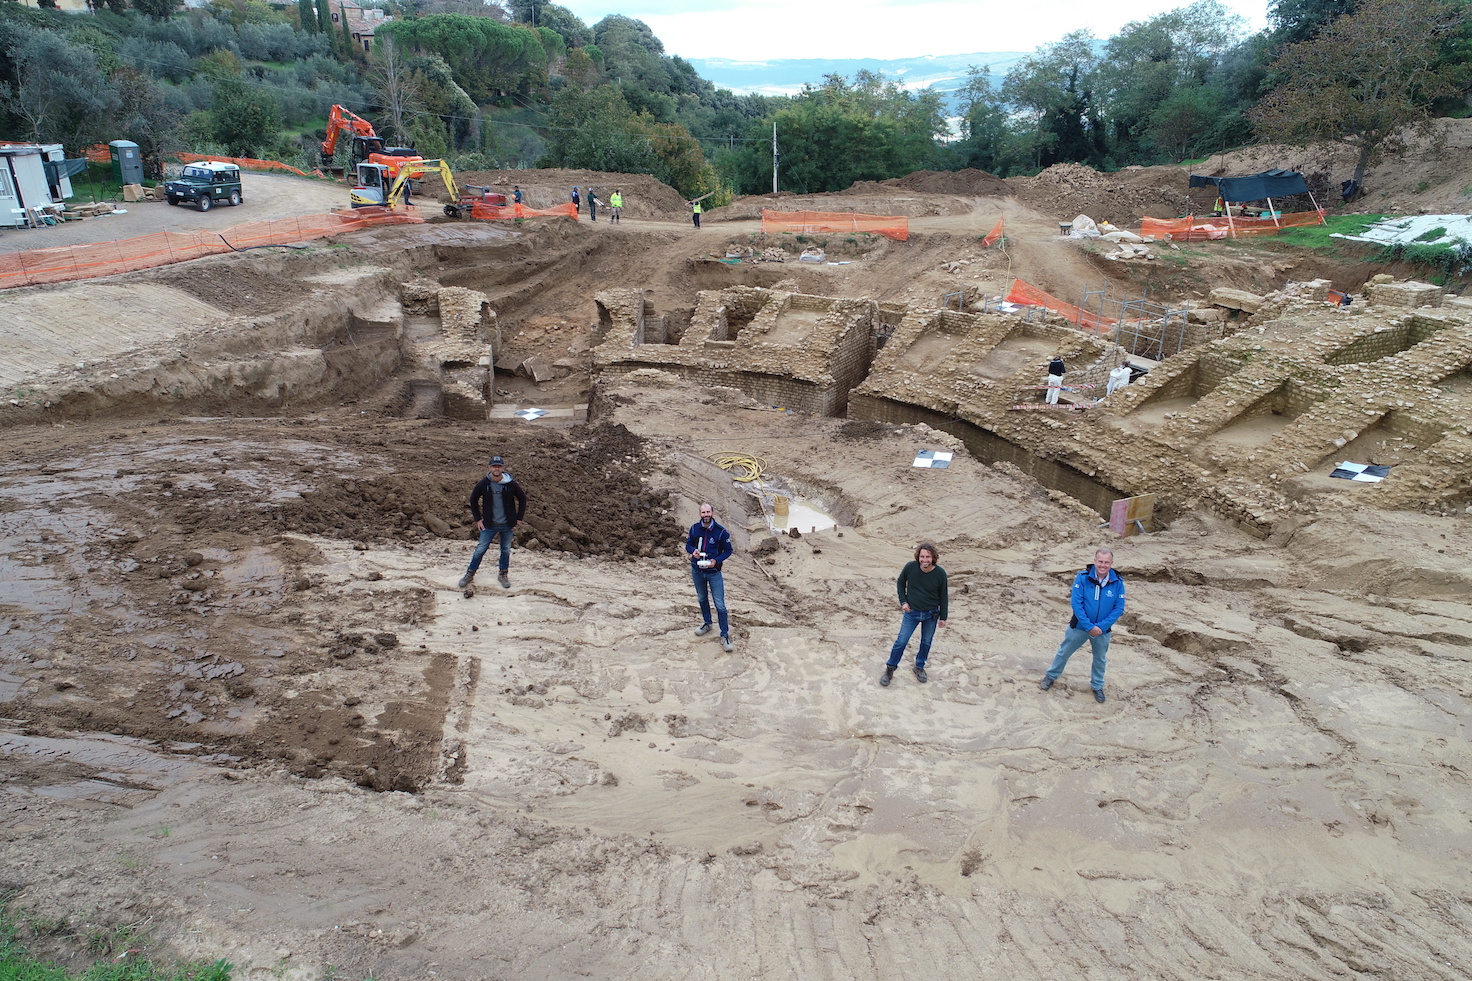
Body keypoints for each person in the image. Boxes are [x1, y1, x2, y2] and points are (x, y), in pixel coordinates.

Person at [1040, 548, 1125, 703]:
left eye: (1106, 562)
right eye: (1100, 561)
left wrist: (1101, 627)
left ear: (1112, 563)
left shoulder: (1118, 582)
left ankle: (1097, 686)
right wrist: (1089, 626)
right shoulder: (1082, 577)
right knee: (1064, 652)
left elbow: (1119, 608)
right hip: (1080, 627)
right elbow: (1076, 604)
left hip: (1102, 631)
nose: (1103, 565)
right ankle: (1051, 676)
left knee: (1100, 659)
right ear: (1095, 561)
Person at [881, 543, 948, 686]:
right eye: (922, 556)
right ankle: (890, 668)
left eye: (928, 557)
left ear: (933, 558)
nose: (925, 560)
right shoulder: (910, 567)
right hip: (912, 612)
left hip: (931, 614)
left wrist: (944, 617)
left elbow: (944, 596)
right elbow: (900, 583)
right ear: (918, 557)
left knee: (926, 642)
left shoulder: (940, 573)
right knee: (901, 641)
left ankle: (919, 667)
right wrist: (903, 602)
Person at [458, 455, 527, 590]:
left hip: (507, 525)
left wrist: (519, 518)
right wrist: (478, 519)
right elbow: (473, 500)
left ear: (503, 468)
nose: (496, 469)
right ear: (489, 468)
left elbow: (522, 498)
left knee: (505, 550)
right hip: (489, 525)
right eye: (494, 466)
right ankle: (470, 573)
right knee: (480, 550)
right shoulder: (483, 484)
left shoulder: (511, 484)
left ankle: (503, 574)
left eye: (499, 466)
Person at [685, 503, 733, 652]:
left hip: (714, 573)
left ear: (713, 513)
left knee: (720, 604)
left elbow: (728, 550)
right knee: (702, 598)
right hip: (697, 570)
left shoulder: (720, 532)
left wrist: (716, 561)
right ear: (700, 513)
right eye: (703, 512)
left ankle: (725, 635)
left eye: (708, 512)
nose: (706, 515)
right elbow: (688, 545)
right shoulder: (694, 529)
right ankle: (707, 623)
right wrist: (693, 551)